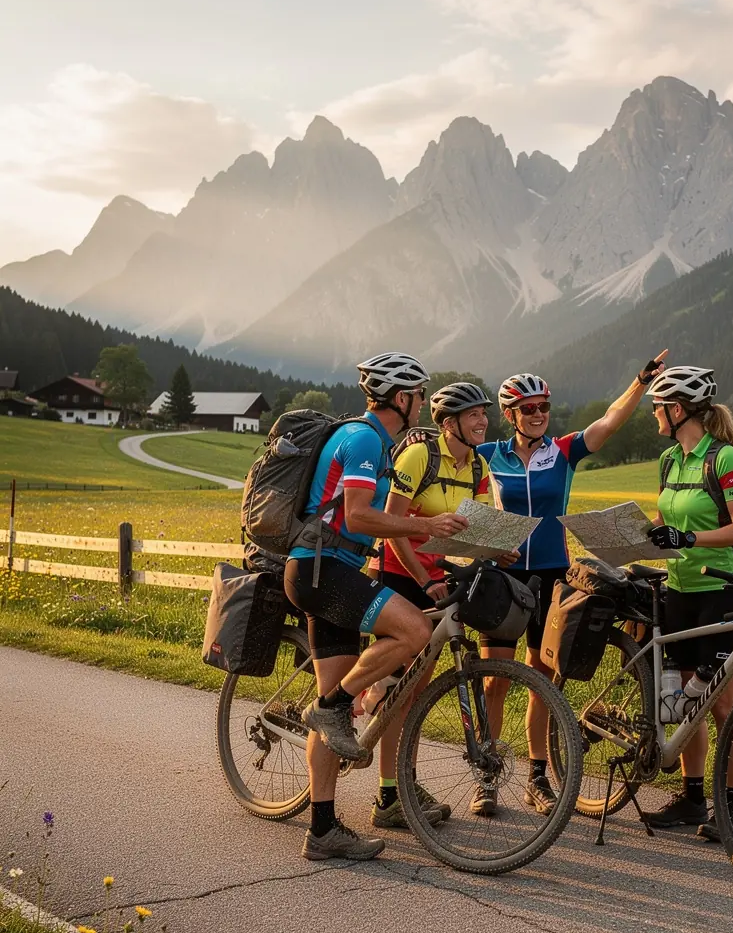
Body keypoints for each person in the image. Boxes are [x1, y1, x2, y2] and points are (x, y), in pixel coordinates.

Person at [284, 352, 469, 862]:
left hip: (322, 570)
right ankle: (333, 707)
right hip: (326, 570)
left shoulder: (376, 443)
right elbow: (360, 516)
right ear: (401, 399)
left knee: (334, 702)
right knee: (412, 633)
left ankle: (321, 830)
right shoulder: (365, 439)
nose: (424, 405)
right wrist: (427, 527)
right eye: (419, 396)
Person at [473, 352, 668, 817]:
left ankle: (537, 776)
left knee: (544, 679)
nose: (539, 414)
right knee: (495, 681)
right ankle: (487, 773)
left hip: (552, 578)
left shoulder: (561, 451)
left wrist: (639, 382)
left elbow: (608, 422)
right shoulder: (488, 456)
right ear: (510, 415)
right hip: (503, 577)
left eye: (543, 406)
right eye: (528, 408)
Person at [369, 381, 497, 829]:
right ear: (449, 423)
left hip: (439, 581)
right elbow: (392, 525)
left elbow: (475, 528)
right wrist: (424, 581)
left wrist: (497, 548)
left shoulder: (477, 464)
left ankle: (401, 784)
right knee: (397, 689)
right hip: (402, 576)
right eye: (474, 415)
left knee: (416, 691)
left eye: (484, 413)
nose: (484, 420)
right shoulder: (419, 456)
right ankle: (389, 795)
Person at [638, 365, 733, 842]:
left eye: (657, 408)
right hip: (679, 590)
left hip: (722, 591)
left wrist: (687, 535)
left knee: (724, 704)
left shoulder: (725, 459)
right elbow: (669, 518)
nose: (654, 416)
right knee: (687, 698)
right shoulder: (670, 461)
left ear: (678, 409)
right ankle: (691, 798)